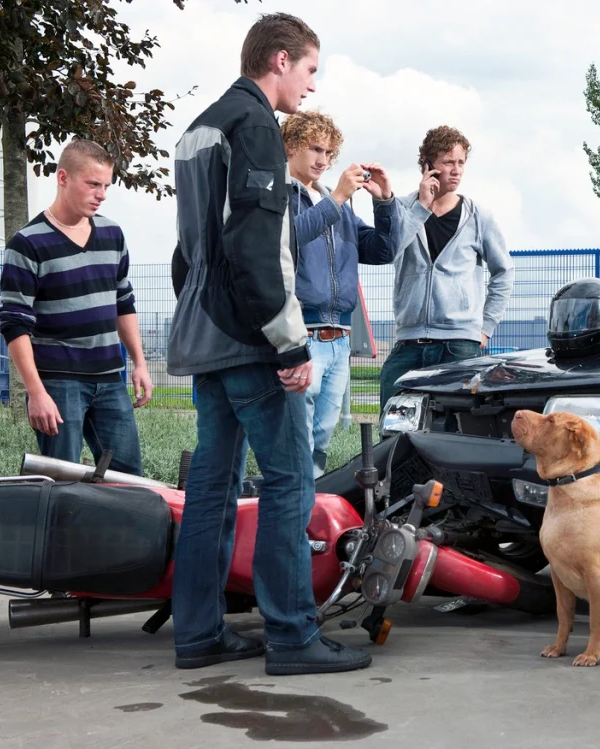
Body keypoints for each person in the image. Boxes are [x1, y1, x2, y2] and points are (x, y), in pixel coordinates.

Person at [166, 13, 371, 675]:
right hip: (249, 338)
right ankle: (291, 637)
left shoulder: (198, 130)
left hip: (203, 334)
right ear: (280, 61)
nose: (310, 87)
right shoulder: (255, 124)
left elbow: (187, 253)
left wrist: (204, 312)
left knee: (212, 489)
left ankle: (197, 634)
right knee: (288, 483)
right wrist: (288, 344)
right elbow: (255, 248)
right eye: (310, 70)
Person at [0, 138, 152, 475]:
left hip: (111, 380)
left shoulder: (113, 235)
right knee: (60, 483)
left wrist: (140, 363)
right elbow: (13, 323)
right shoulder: (27, 243)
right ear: (64, 178)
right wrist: (35, 392)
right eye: (93, 184)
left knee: (129, 480)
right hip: (57, 383)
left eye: (106, 186)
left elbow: (123, 302)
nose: (101, 194)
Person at [280, 110, 398, 477]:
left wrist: (384, 202)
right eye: (315, 149)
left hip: (339, 339)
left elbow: (382, 250)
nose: (323, 160)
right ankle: (297, 514)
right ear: (290, 146)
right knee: (297, 439)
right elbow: (289, 239)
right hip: (302, 335)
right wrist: (338, 199)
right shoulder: (279, 196)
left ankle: (310, 509)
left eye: (329, 153)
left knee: (322, 440)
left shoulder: (339, 207)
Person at [378, 125, 515, 408]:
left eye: (461, 162)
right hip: (409, 342)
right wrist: (422, 208)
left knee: (458, 429)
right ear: (427, 164)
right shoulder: (402, 208)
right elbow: (390, 251)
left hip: (460, 344)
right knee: (392, 427)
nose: (456, 170)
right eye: (448, 162)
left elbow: (504, 272)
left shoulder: (479, 216)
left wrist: (485, 327)